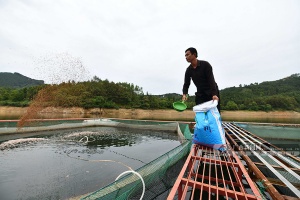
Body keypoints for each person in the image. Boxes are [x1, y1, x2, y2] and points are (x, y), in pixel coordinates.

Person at [182, 47, 221, 112]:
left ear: (194, 54)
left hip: (211, 91)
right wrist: (184, 94)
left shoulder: (205, 65)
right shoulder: (188, 70)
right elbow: (186, 84)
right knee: (199, 111)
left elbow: (211, 80)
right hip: (200, 93)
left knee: (215, 111)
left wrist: (214, 94)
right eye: (185, 55)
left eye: (187, 55)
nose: (186, 57)